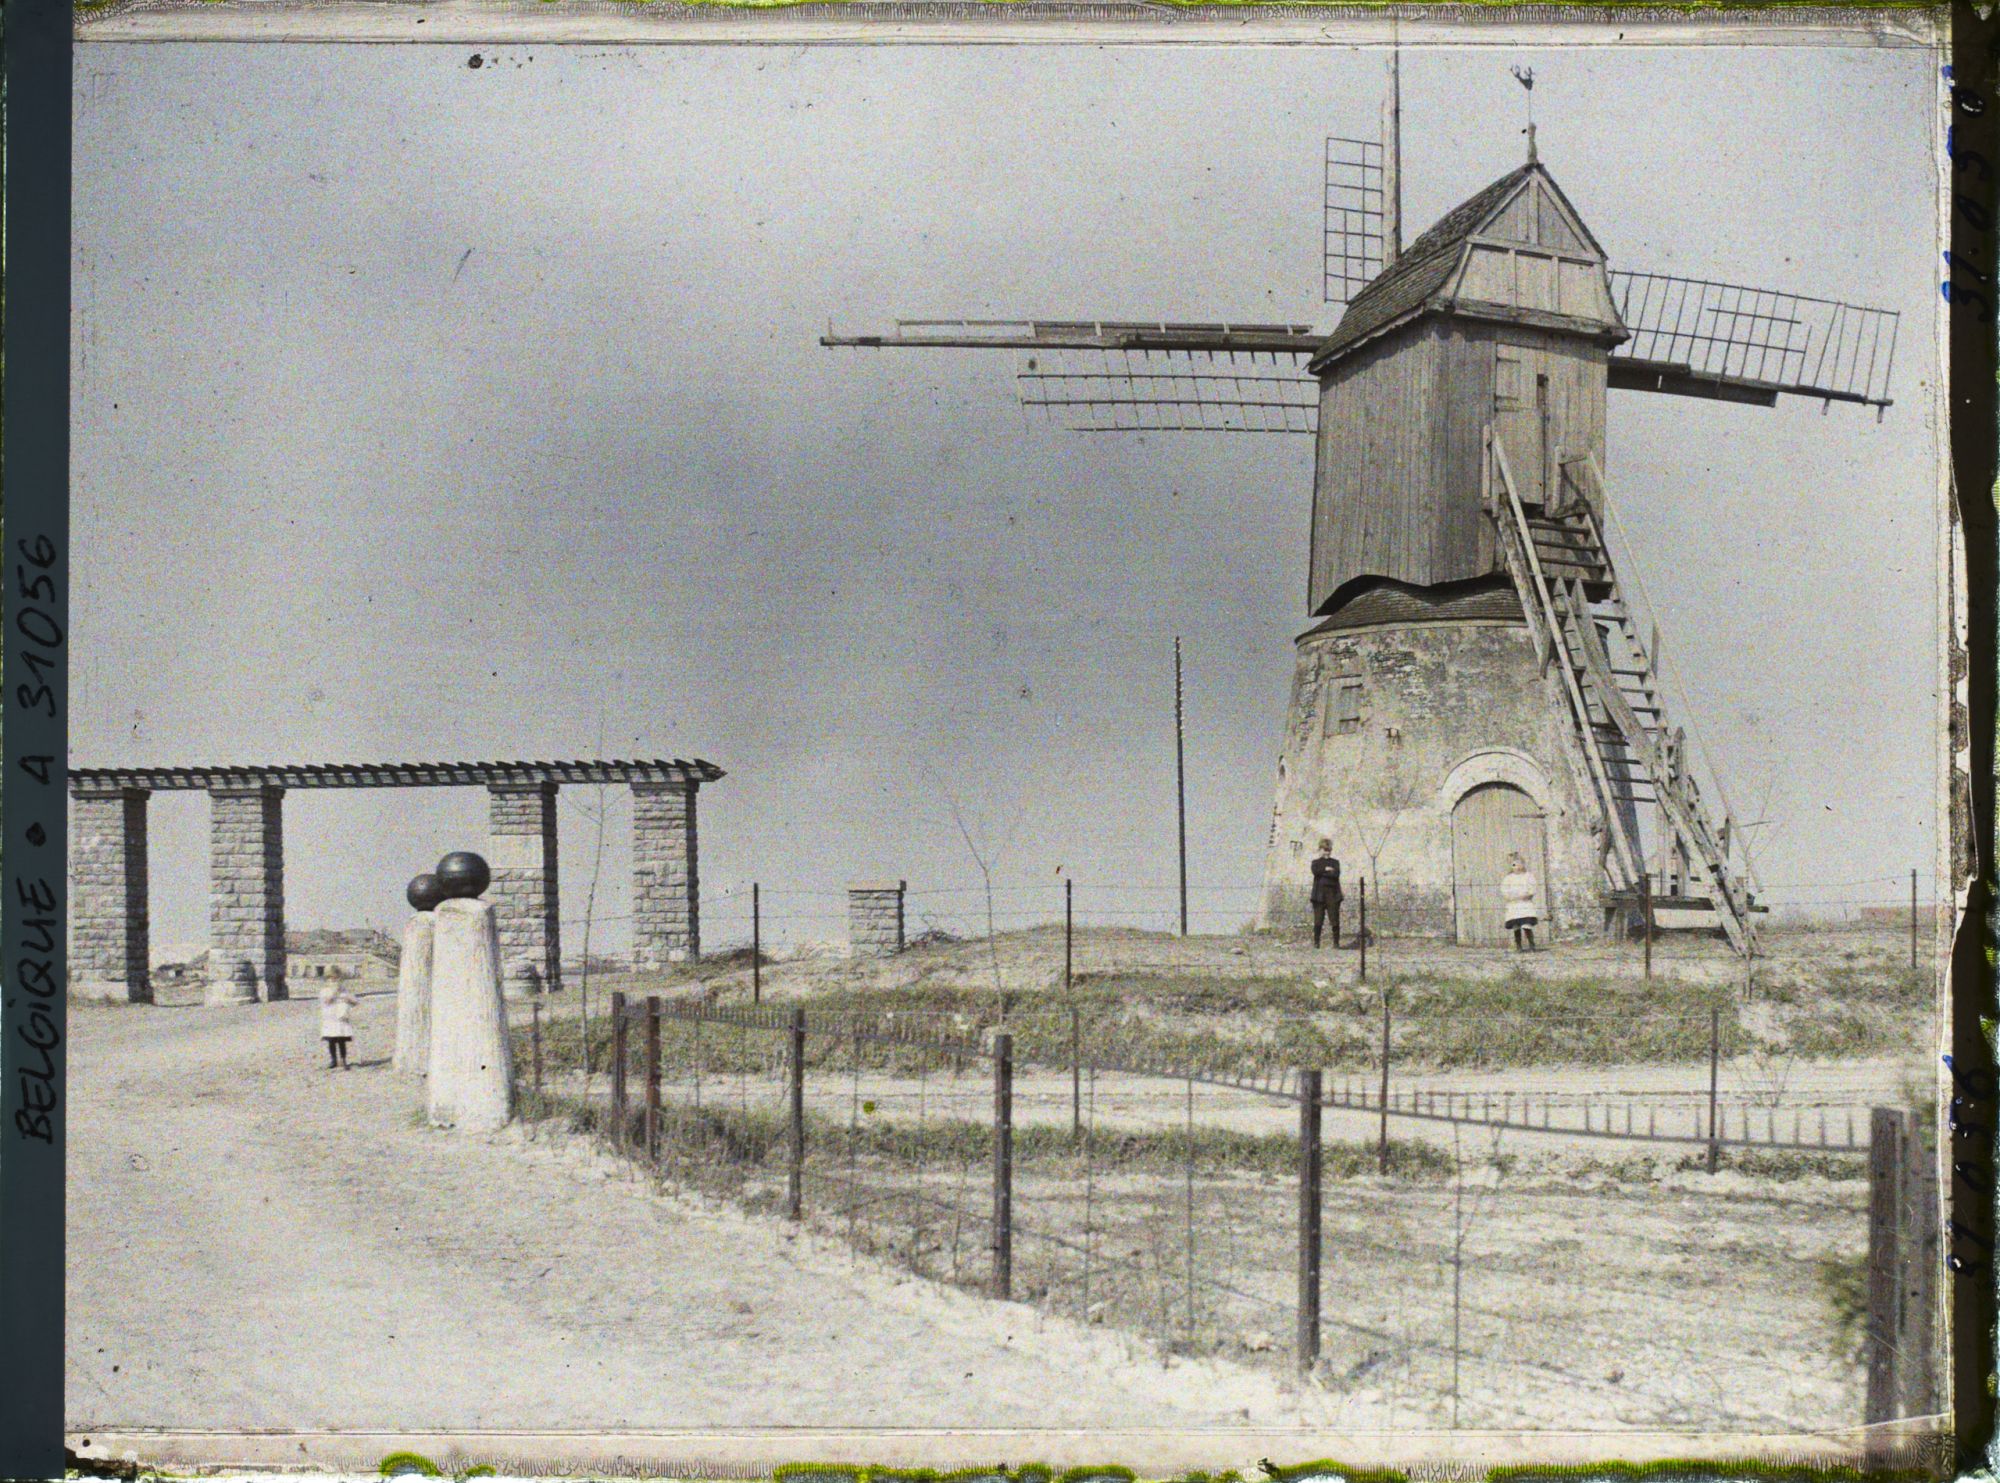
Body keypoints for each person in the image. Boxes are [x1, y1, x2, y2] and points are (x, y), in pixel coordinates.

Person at [1501, 852, 1540, 951]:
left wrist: (1528, 894)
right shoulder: (1508, 878)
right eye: (1514, 865)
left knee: (1526, 924)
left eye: (1519, 864)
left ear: (1523, 864)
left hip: (1525, 903)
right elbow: (1504, 890)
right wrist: (1510, 896)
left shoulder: (1528, 876)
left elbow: (1533, 887)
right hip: (1514, 904)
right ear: (1510, 866)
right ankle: (1518, 946)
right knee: (1516, 925)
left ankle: (1532, 945)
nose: (1517, 867)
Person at [1309, 840, 1343, 949]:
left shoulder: (1335, 862)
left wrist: (1324, 872)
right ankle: (1316, 942)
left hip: (1332, 895)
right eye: (1325, 850)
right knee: (1318, 920)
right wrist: (1326, 869)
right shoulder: (1316, 862)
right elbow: (1315, 871)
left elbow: (1336, 874)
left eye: (1329, 850)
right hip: (1319, 895)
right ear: (1320, 850)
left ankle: (1336, 943)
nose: (1327, 853)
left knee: (1334, 920)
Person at [319, 976, 358, 1068]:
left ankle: (343, 1060)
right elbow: (326, 1001)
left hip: (341, 1018)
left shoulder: (344, 991)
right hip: (330, 1018)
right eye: (332, 980)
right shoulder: (325, 991)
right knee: (331, 1040)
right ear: (327, 982)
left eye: (336, 980)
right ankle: (333, 1060)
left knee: (341, 1040)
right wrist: (335, 993)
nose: (334, 982)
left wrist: (348, 1000)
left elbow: (355, 1002)